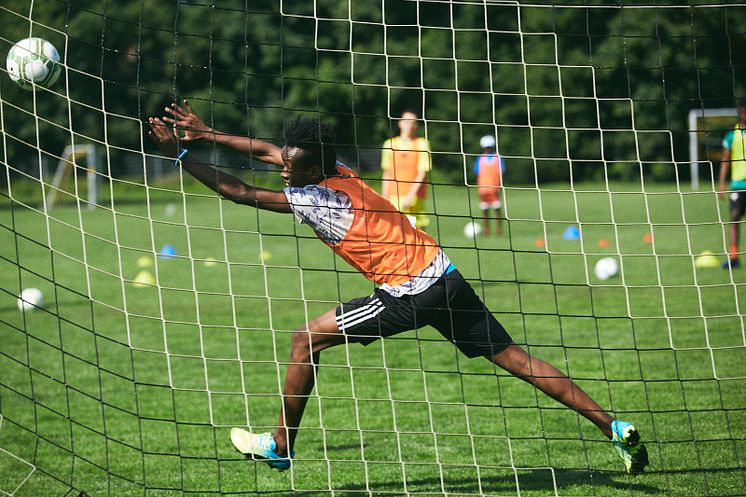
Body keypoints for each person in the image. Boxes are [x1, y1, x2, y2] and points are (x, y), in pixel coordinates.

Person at [148, 101, 649, 475]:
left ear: (312, 168)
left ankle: (280, 446)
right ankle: (615, 429)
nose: (283, 168)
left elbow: (239, 192)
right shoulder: (335, 167)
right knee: (517, 359)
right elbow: (263, 149)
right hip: (444, 274)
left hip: (409, 292)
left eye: (291, 167)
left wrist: (183, 154)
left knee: (306, 340)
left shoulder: (318, 199)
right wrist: (209, 131)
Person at [380, 111, 431, 229]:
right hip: (393, 198)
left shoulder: (422, 144)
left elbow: (422, 173)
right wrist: (384, 199)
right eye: (407, 122)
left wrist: (410, 196)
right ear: (400, 123)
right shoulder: (389, 144)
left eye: (414, 122)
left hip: (415, 199)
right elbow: (387, 174)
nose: (410, 125)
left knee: (418, 236)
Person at [719, 99, 746, 269]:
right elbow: (725, 160)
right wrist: (721, 184)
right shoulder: (731, 135)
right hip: (737, 184)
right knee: (734, 216)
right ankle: (734, 256)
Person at [474, 135, 505, 236]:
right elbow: (477, 172)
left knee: (497, 208)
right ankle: (486, 229)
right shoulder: (480, 158)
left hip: (494, 188)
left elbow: (502, 171)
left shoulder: (497, 157)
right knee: (485, 210)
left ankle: (499, 229)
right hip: (483, 189)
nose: (488, 148)